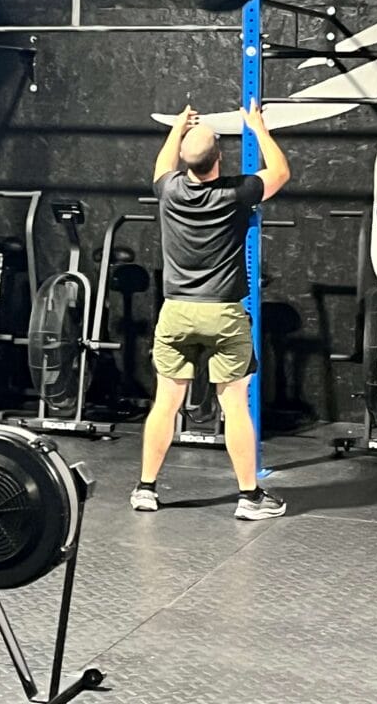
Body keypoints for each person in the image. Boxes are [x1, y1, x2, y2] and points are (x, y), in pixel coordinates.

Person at [130, 98, 290, 519]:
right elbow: (281, 172)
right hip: (221, 313)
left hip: (177, 312)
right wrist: (257, 127)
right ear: (219, 157)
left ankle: (145, 489)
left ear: (185, 161)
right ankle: (249, 498)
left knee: (166, 403)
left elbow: (162, 166)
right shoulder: (237, 193)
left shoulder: (168, 189)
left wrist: (178, 128)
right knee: (234, 404)